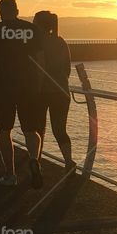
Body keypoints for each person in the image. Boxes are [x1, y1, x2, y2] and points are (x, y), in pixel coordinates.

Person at [0, 0, 44, 188]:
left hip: (4, 87)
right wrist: (38, 83)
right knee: (31, 129)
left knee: (5, 130)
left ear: (0, 12)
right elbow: (40, 59)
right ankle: (34, 159)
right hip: (28, 86)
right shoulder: (31, 30)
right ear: (17, 11)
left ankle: (10, 174)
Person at [33, 11, 75, 174]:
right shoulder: (60, 42)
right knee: (60, 130)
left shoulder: (36, 42)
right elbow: (67, 69)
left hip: (42, 91)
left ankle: (37, 161)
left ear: (39, 24)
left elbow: (38, 69)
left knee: (38, 128)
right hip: (61, 92)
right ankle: (69, 162)